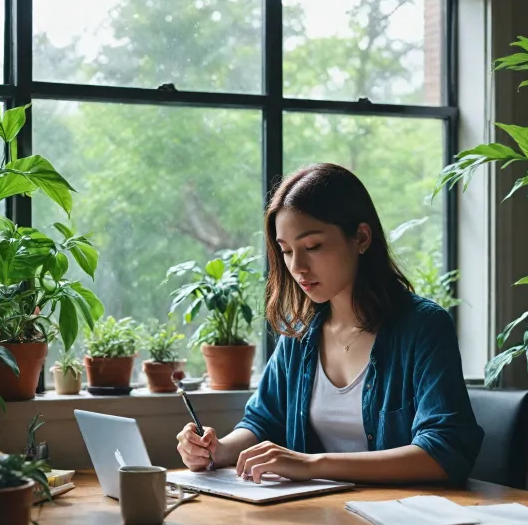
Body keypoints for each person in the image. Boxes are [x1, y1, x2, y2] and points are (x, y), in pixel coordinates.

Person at [177, 163, 483, 486]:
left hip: (399, 523)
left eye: (312, 247)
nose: (298, 267)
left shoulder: (423, 328)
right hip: (318, 521)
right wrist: (217, 449)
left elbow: (444, 451)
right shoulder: (300, 334)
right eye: (286, 251)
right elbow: (263, 421)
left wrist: (312, 465)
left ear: (361, 237)